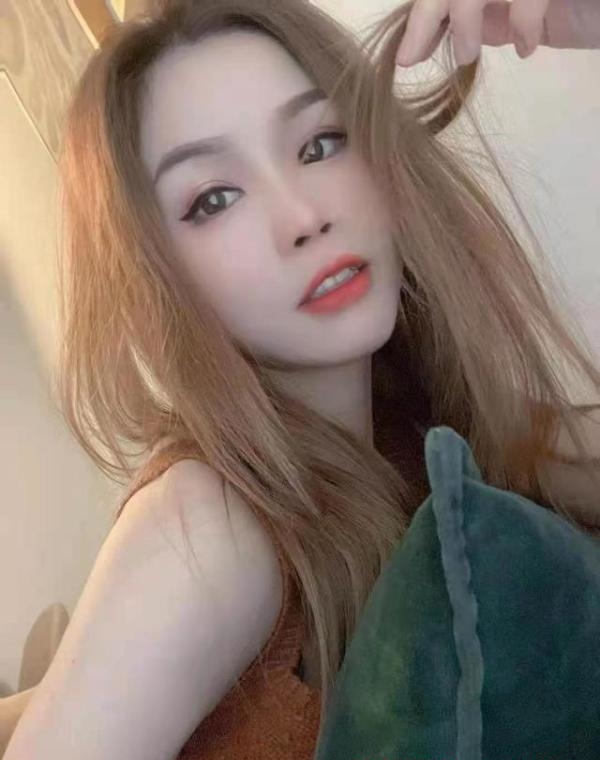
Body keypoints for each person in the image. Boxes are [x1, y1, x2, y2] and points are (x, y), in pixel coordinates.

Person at [3, 0, 600, 758]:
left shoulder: (424, 431)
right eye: (214, 199)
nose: (303, 216)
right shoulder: (212, 523)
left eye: (320, 143)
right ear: (154, 278)